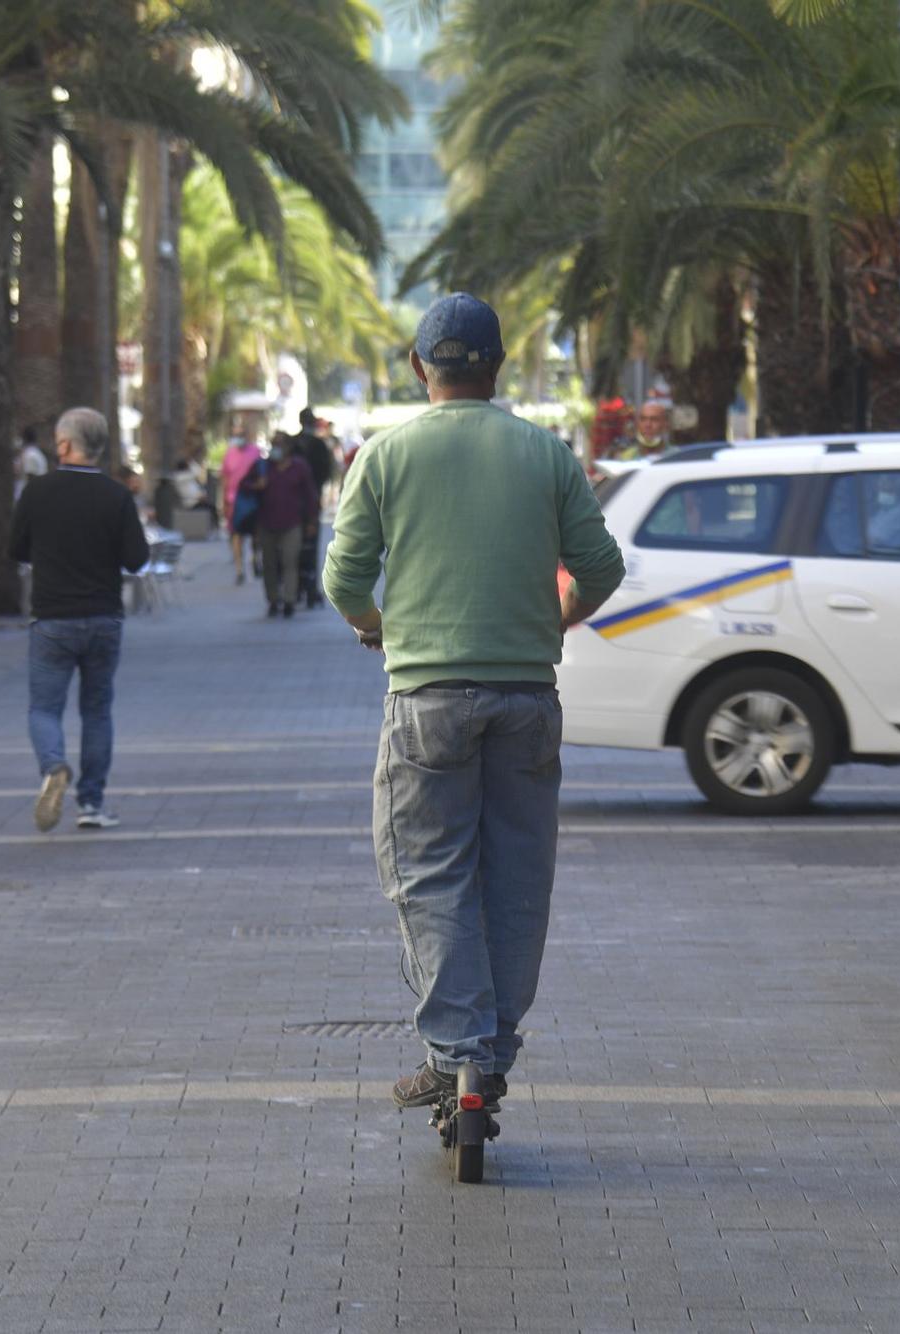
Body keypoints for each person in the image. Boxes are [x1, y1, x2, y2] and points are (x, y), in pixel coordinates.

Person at [323, 292, 626, 1109]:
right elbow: (601, 569)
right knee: (519, 875)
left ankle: (456, 1052)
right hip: (528, 697)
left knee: (428, 873)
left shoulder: (384, 456)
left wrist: (377, 628)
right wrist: (553, 619)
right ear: (496, 369)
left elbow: (342, 579)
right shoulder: (546, 454)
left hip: (425, 701)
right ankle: (489, 1056)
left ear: (420, 367)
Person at [8, 408, 150, 833]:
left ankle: (53, 765)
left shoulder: (37, 492)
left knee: (44, 708)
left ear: (66, 445)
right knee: (97, 711)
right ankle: (92, 802)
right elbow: (136, 559)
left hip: (51, 618)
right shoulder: (115, 495)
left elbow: (16, 549)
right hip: (103, 617)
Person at [251, 432, 318, 618]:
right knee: (269, 564)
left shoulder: (299, 467)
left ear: (288, 447)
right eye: (273, 444)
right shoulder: (263, 467)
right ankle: (273, 599)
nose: (275, 449)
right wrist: (256, 485)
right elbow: (244, 486)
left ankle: (289, 600)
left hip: (292, 523)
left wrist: (311, 520)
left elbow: (310, 495)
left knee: (291, 562)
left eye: (279, 445)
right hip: (266, 523)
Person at [293, 409, 334, 608]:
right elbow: (326, 472)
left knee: (297, 547)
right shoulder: (318, 444)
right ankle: (307, 587)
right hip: (309, 502)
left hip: (296, 504)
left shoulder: (294, 444)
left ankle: (301, 586)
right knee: (309, 546)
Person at [221, 433, 263, 584]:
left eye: (240, 435)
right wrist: (224, 502)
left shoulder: (255, 452)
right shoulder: (229, 454)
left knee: (256, 535)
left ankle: (255, 558)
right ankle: (240, 569)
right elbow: (224, 479)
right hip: (234, 502)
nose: (238, 438)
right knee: (237, 535)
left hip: (252, 500)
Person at [14, 425, 50, 502]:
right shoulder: (36, 454)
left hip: (28, 498)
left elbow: (31, 476)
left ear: (24, 438)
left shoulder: (31, 455)